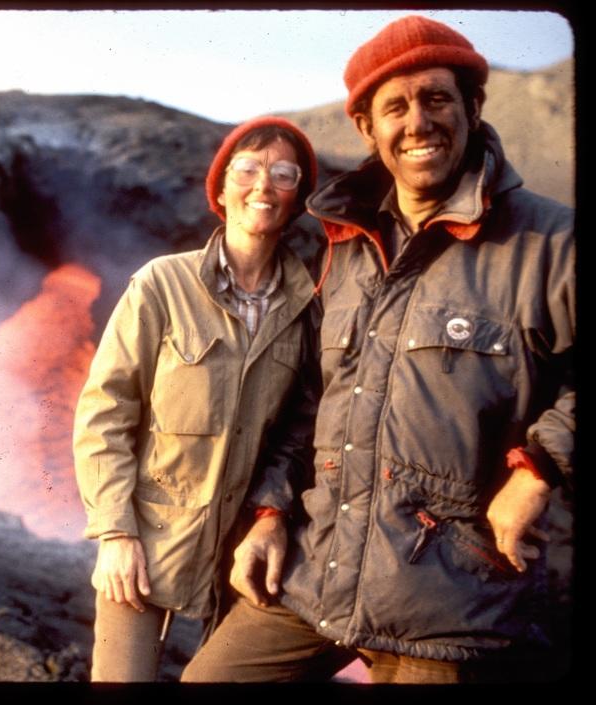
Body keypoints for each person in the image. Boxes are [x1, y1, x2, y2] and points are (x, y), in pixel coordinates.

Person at [183, 15, 574, 683]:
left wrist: (536, 468)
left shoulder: (549, 243)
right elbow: (310, 397)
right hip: (319, 573)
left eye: (436, 99)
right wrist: (270, 511)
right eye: (393, 107)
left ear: (472, 108)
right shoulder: (345, 246)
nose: (417, 121)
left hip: (457, 601)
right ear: (367, 128)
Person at [73, 116, 321, 682]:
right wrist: (114, 532)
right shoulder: (162, 284)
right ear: (221, 188)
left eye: (284, 174)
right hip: (148, 543)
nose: (264, 185)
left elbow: (296, 433)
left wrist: (268, 515)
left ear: (297, 197)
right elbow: (105, 412)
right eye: (249, 169)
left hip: (240, 556)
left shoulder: (306, 308)